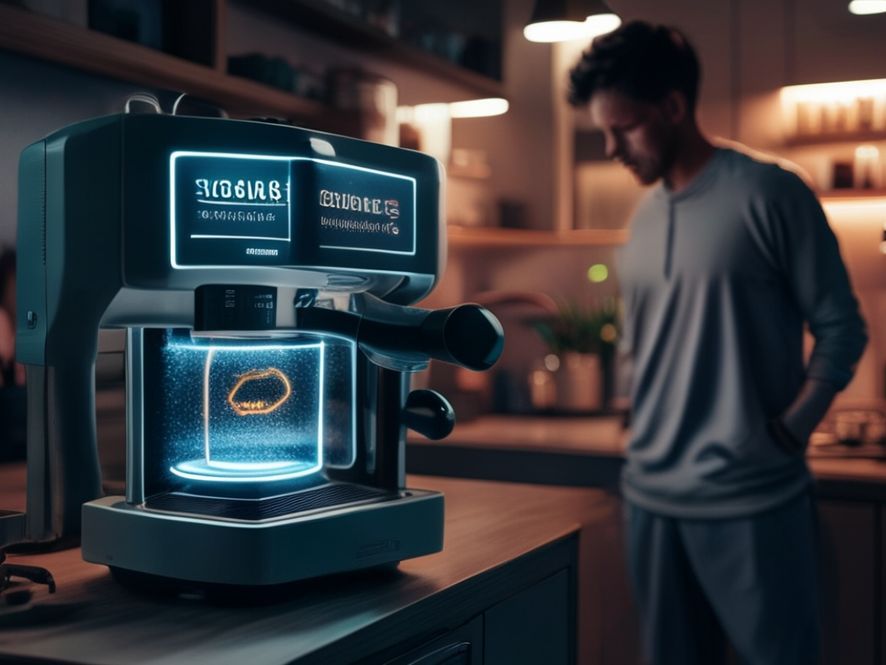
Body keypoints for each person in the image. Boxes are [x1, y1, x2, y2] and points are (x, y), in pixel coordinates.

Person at [568, 21, 867, 665]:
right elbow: (646, 348)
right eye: (604, 131)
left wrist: (790, 432)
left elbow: (843, 326)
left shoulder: (771, 193)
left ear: (673, 107)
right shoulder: (643, 220)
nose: (612, 147)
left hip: (754, 502)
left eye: (624, 128)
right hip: (650, 501)